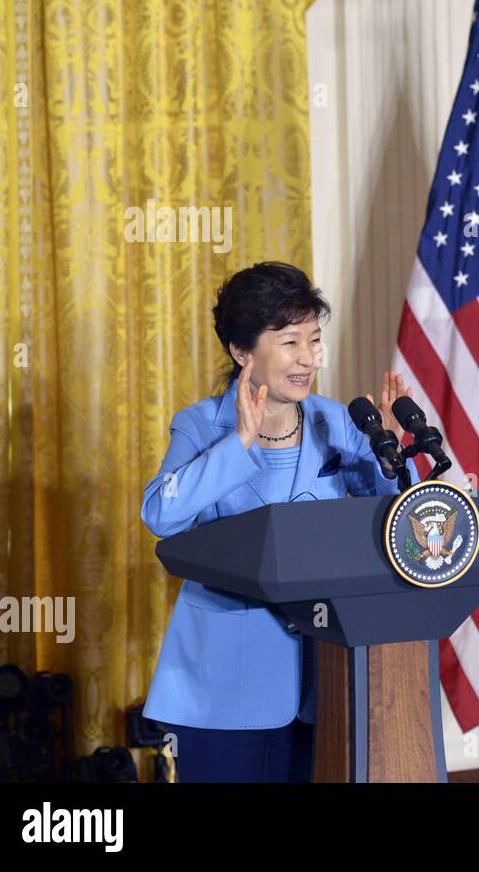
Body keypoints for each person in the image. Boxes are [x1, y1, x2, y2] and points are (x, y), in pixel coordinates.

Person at [140, 261, 418, 782]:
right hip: (226, 682)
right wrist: (237, 443)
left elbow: (391, 518)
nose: (307, 358)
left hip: (329, 676)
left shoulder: (337, 420)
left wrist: (388, 455)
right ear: (243, 352)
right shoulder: (201, 424)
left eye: (313, 340)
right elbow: (161, 513)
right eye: (289, 342)